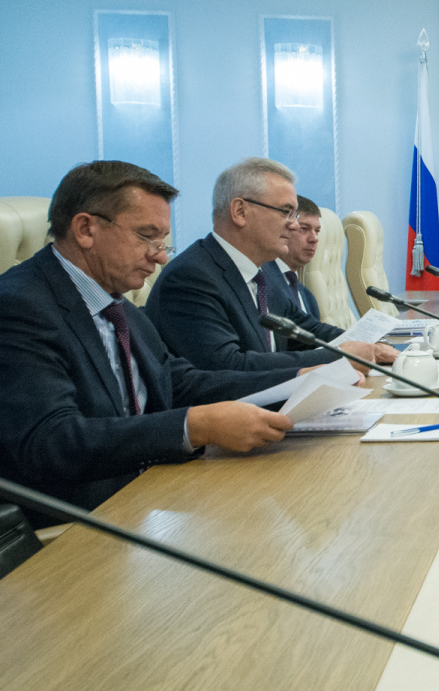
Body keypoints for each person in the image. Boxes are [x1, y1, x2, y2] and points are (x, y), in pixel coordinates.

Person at [0, 162, 348, 523]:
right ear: (86, 229)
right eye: (146, 236)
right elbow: (52, 441)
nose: (161, 255)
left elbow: (179, 383)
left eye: (163, 240)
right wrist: (195, 426)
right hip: (80, 523)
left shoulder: (117, 305)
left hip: (152, 497)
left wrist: (299, 379)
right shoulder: (20, 307)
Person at [146, 158, 395, 371]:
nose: (294, 225)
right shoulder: (191, 278)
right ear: (240, 211)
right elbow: (228, 367)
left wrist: (368, 345)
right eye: (286, 212)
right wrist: (340, 357)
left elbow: (307, 332)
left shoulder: (266, 270)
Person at [263, 195, 323, 320]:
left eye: (317, 231)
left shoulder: (308, 296)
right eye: (303, 229)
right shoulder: (263, 282)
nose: (314, 239)